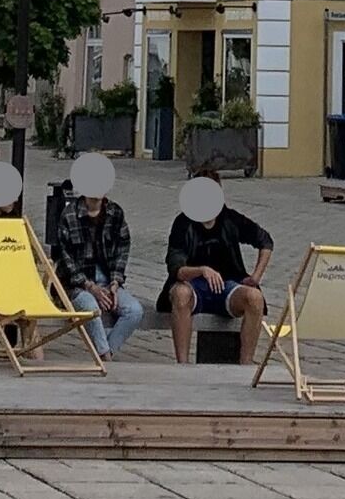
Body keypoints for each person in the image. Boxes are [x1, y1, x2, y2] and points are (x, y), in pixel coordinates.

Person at [163, 163, 272, 362]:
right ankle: (182, 365)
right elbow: (176, 269)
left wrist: (255, 276)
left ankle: (245, 364)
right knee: (180, 293)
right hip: (193, 286)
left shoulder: (230, 219)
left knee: (255, 298)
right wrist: (201, 270)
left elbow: (265, 241)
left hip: (228, 285)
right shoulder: (183, 223)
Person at [41, 153, 145, 355]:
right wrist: (90, 287)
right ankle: (104, 355)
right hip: (76, 285)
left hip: (108, 281)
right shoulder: (69, 215)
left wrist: (114, 284)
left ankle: (106, 351)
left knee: (134, 310)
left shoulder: (115, 213)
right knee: (90, 308)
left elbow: (122, 251)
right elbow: (66, 260)